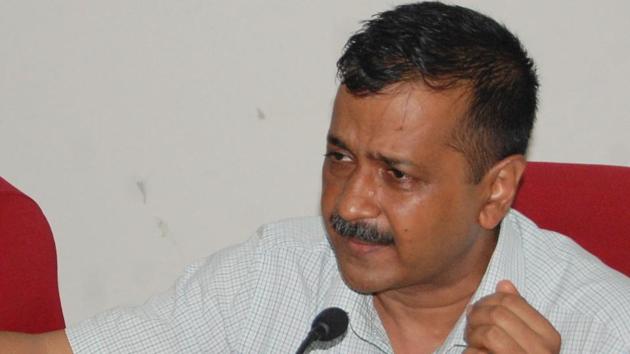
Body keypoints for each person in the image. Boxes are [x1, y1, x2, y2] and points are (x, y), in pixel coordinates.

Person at [2, 2, 629, 353]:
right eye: (340, 157)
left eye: (397, 174)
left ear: (494, 190)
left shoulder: (601, 326)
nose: (351, 201)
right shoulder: (273, 277)